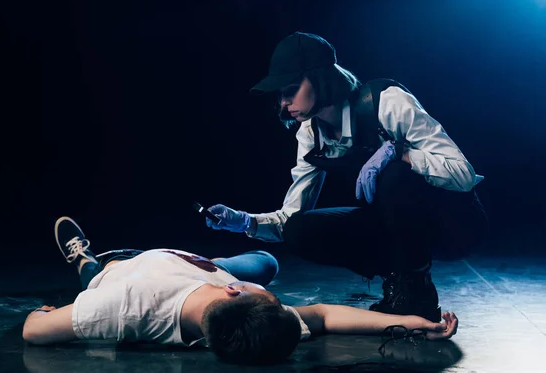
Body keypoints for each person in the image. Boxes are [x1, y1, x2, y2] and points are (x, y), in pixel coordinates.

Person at [205, 32, 488, 323]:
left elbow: (463, 175)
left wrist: (399, 152)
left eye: (290, 89)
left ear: (321, 79)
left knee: (395, 175)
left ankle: (416, 290)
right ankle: (400, 280)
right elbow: (291, 216)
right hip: (394, 229)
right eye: (279, 95)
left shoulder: (386, 103)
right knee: (300, 231)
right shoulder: (310, 134)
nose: (283, 103)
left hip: (455, 225)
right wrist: (245, 222)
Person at [22, 216, 459, 365]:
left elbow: (32, 333)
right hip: (199, 266)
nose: (276, 301)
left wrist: (43, 314)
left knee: (94, 277)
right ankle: (215, 261)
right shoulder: (244, 321)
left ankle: (86, 260)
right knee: (267, 262)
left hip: (128, 269)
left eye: (263, 297)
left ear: (232, 294)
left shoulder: (120, 309)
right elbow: (323, 314)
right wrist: (412, 321)